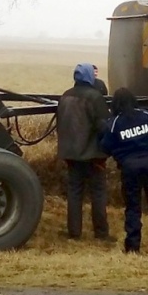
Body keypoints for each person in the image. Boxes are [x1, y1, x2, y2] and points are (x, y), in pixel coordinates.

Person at [100, 87, 148, 254]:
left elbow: (105, 146)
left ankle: (133, 246)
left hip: (130, 168)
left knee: (133, 207)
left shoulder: (115, 123)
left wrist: (121, 154)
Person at [56, 63, 113, 241]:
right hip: (93, 155)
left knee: (74, 193)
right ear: (90, 77)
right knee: (98, 192)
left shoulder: (65, 96)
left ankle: (74, 233)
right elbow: (104, 127)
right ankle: (101, 233)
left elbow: (60, 124)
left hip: (71, 153)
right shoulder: (95, 97)